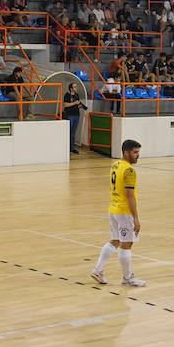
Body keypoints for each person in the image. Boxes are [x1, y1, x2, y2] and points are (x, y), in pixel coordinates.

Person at [92, 139, 144, 287]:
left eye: (138, 152)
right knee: (127, 244)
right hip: (124, 212)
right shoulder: (129, 170)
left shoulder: (115, 165)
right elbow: (130, 195)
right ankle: (127, 278)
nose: (137, 155)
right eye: (135, 152)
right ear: (126, 152)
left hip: (113, 209)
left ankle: (98, 270)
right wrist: (135, 219)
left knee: (115, 240)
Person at [62, 82, 87, 154]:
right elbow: (65, 104)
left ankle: (72, 148)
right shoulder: (67, 95)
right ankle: (66, 147)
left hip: (77, 115)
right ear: (71, 89)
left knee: (73, 132)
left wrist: (79, 106)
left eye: (76, 87)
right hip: (70, 115)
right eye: (74, 87)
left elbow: (77, 103)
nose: (76, 88)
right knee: (68, 132)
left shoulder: (76, 95)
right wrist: (75, 103)